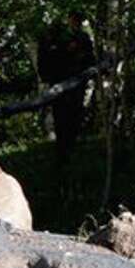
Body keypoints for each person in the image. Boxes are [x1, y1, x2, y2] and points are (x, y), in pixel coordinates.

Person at [35, 12, 96, 164]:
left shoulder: (82, 37)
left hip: (76, 81)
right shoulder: (55, 39)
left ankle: (70, 147)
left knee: (74, 113)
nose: (74, 23)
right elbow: (47, 59)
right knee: (61, 115)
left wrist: (88, 71)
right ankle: (62, 151)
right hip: (59, 82)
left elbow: (89, 58)